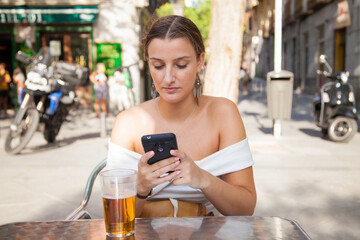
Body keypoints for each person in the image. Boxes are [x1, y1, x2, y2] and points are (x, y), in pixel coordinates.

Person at [107, 15, 256, 217]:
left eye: (181, 65)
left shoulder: (223, 113)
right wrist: (140, 188)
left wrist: (203, 179)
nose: (168, 78)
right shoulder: (128, 123)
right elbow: (116, 219)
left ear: (199, 61)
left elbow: (245, 209)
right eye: (158, 66)